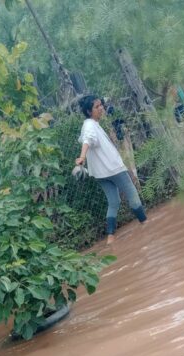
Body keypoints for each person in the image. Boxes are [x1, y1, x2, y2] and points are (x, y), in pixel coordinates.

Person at [75, 94, 147, 244]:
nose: (101, 108)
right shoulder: (90, 125)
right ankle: (146, 225)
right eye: (97, 107)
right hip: (114, 169)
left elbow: (88, 139)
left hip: (100, 173)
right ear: (89, 111)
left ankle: (110, 238)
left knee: (113, 202)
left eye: (101, 105)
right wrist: (82, 157)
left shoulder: (90, 124)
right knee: (133, 196)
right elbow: (87, 140)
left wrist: (83, 157)